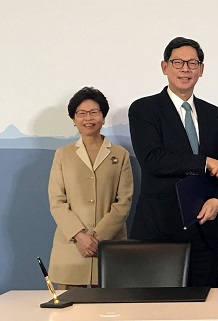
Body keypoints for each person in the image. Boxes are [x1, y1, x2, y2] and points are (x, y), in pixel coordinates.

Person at [128, 37, 218, 287]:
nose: (185, 69)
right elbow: (154, 159)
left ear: (201, 69)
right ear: (164, 67)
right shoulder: (144, 109)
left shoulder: (214, 114)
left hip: (206, 233)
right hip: (159, 232)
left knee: (205, 310)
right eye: (178, 62)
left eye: (192, 63)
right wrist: (205, 162)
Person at [48, 87, 133, 289]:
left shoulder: (120, 154)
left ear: (103, 117)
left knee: (110, 313)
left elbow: (124, 201)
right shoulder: (63, 154)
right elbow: (57, 201)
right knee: (69, 314)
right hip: (71, 248)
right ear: (73, 118)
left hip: (109, 246)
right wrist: (80, 236)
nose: (89, 118)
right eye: (81, 113)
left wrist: (97, 237)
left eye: (94, 112)